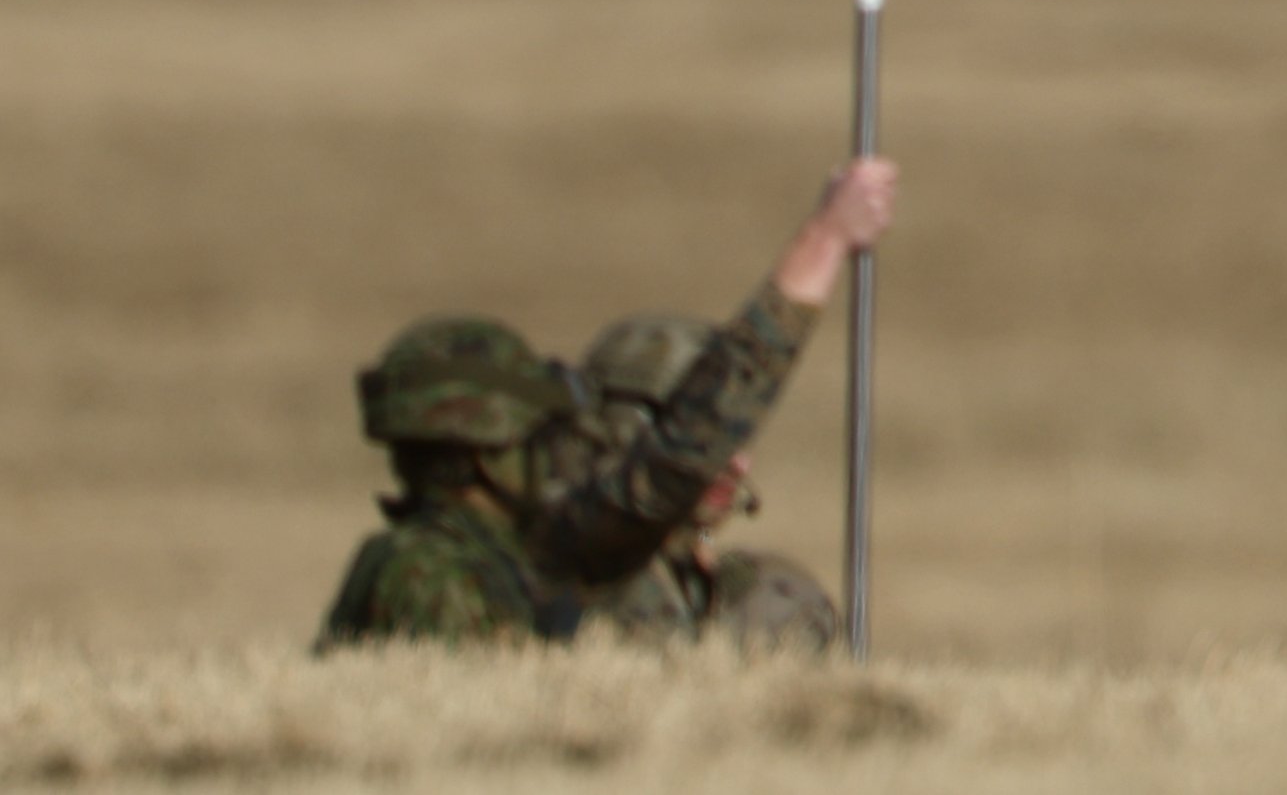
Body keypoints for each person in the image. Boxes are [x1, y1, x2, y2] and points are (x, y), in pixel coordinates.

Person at [317, 157, 899, 646]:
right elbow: (684, 451)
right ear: (485, 455)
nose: (559, 446)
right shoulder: (486, 562)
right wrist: (823, 241)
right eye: (534, 435)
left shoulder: (500, 555)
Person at [566, 311, 844, 649]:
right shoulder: (576, 579)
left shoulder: (745, 593)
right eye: (704, 440)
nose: (739, 464)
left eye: (736, 440)